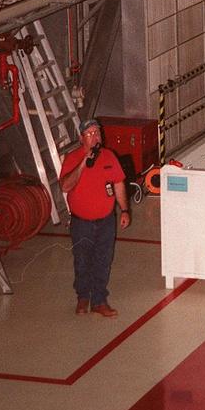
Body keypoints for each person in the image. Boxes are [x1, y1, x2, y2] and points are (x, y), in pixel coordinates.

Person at [60, 118, 130, 317]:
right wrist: (84, 162)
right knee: (82, 260)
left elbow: (118, 184)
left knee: (103, 260)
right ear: (82, 138)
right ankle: (83, 297)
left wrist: (125, 210)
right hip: (82, 223)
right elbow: (65, 186)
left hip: (106, 221)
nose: (95, 137)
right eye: (90, 134)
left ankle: (99, 300)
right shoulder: (72, 158)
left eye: (97, 132)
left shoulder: (109, 157)